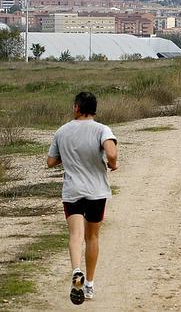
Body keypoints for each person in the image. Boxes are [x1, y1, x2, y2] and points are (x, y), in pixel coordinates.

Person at [47, 92, 118, 305]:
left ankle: (76, 271)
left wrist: (68, 156)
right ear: (94, 109)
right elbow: (112, 153)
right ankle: (89, 285)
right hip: (96, 191)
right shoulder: (102, 129)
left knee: (75, 235)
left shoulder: (62, 131)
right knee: (92, 237)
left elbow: (50, 161)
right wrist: (113, 164)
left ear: (77, 107)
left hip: (72, 191)